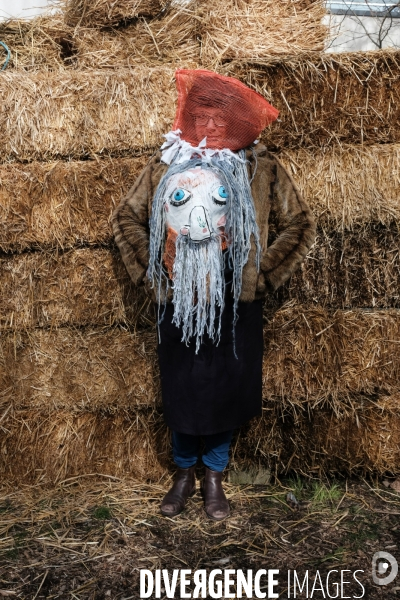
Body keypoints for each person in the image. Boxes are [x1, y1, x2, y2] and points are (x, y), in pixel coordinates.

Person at [112, 69, 316, 521]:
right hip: (180, 303)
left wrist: (260, 274)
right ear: (189, 119)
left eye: (217, 120)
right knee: (183, 386)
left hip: (234, 302)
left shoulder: (261, 167)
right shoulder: (166, 165)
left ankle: (214, 476)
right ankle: (183, 473)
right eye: (200, 117)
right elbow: (125, 219)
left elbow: (299, 223)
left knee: (226, 387)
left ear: (233, 123)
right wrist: (154, 272)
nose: (209, 128)